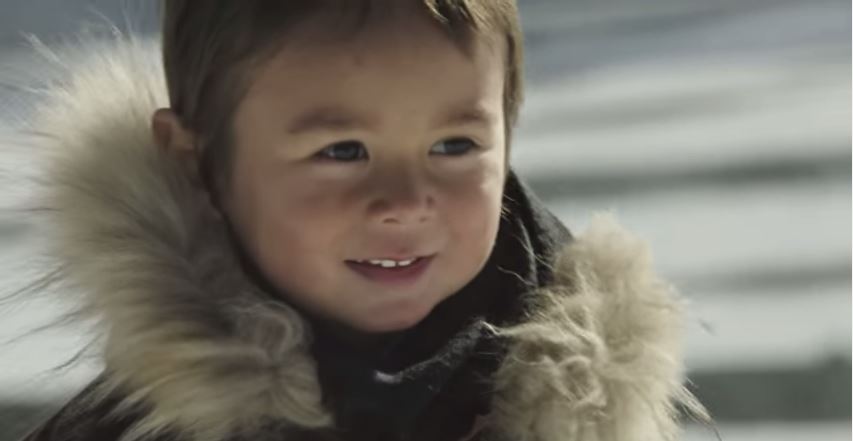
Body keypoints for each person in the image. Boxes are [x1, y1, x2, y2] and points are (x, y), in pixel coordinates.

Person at [15, 1, 706, 440]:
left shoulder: (597, 416)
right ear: (200, 166)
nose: (405, 201)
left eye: (453, 146)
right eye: (342, 151)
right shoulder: (131, 430)